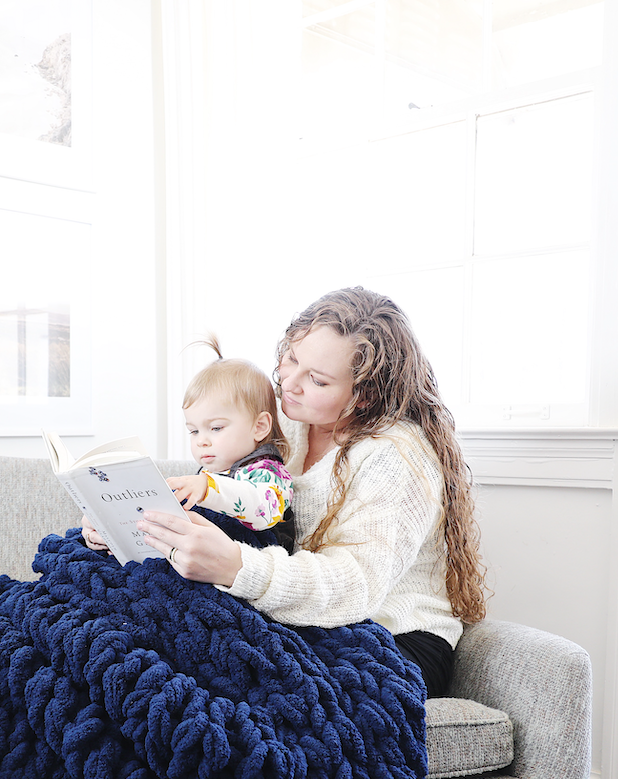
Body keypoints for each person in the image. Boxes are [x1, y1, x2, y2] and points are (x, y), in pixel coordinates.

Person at [83, 286, 486, 697]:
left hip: (392, 637)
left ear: (364, 396)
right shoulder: (286, 421)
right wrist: (121, 523)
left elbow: (356, 586)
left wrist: (236, 566)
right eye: (291, 358)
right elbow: (222, 493)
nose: (289, 384)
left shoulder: (396, 455)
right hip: (302, 617)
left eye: (317, 380)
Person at [166, 344, 295, 548]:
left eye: (216, 428)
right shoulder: (209, 472)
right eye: (194, 431)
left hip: (249, 556)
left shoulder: (267, 471)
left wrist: (208, 488)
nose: (201, 441)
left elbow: (261, 509)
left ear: (259, 427)